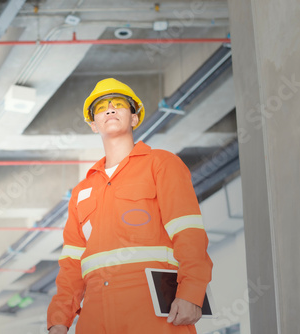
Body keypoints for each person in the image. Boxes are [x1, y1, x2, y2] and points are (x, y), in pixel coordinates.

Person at [47, 78, 213, 333]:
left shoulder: (161, 164)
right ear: (93, 124)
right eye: (102, 107)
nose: (110, 109)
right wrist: (59, 320)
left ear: (134, 118)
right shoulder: (82, 192)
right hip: (96, 313)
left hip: (151, 307)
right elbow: (71, 263)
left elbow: (188, 232)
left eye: (119, 104)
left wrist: (192, 292)